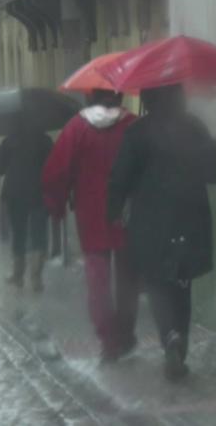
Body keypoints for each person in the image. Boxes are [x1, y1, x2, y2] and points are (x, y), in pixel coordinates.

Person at [107, 85, 216, 381]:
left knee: (156, 280)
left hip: (151, 222)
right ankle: (179, 340)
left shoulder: (137, 132)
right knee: (181, 282)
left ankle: (170, 336)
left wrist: (112, 211)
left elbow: (119, 177)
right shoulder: (194, 127)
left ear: (146, 100)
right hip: (190, 218)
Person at [42, 89, 139, 362]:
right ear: (119, 97)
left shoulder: (76, 128)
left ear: (90, 98)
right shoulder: (131, 125)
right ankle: (125, 333)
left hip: (91, 214)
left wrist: (57, 207)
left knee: (97, 279)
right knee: (128, 277)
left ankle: (108, 339)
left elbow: (56, 173)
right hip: (126, 213)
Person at [0, 127, 53, 292]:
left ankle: (18, 275)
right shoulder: (45, 140)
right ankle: (36, 278)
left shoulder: (10, 140)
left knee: (19, 232)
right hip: (39, 192)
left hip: (15, 193)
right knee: (39, 233)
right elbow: (54, 166)